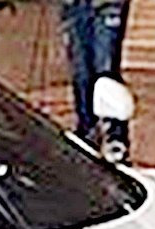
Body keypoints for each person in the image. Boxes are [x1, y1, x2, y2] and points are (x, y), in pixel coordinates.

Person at [60, 0, 131, 162]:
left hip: (107, 5)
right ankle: (87, 129)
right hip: (74, 7)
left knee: (105, 66)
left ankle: (115, 133)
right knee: (81, 71)